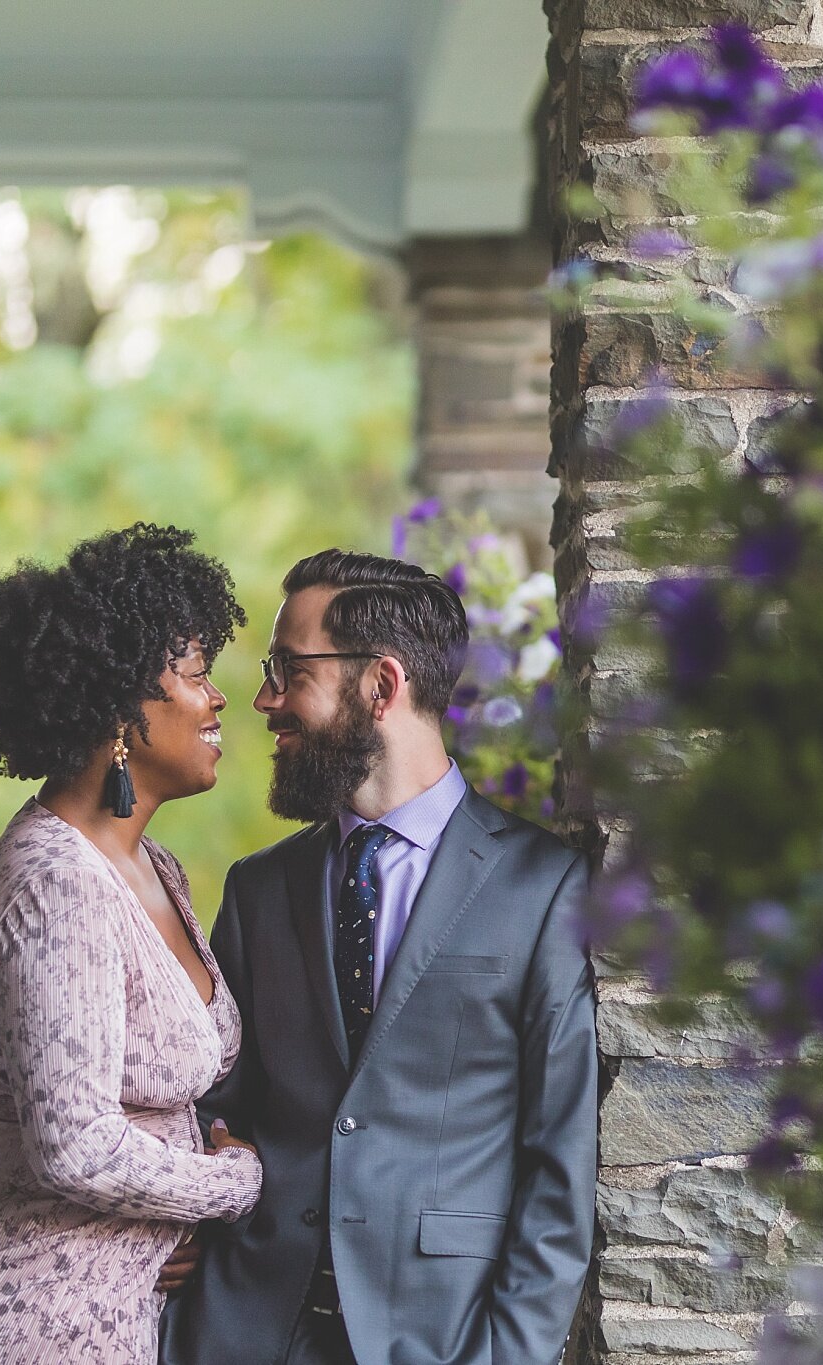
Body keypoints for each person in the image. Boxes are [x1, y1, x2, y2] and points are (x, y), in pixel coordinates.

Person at [161, 549, 596, 1365]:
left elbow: (558, 1171)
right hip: (241, 1333)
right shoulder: (258, 891)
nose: (264, 699)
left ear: (381, 685)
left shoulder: (543, 890)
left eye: (289, 669)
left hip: (435, 1339)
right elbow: (208, 1103)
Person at [0, 524, 264, 1365]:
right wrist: (230, 1183)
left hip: (89, 1296)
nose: (219, 698)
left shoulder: (151, 865)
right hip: (21, 1303)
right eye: (197, 675)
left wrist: (168, 1206)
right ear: (124, 708)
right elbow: (77, 1142)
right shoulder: (58, 883)